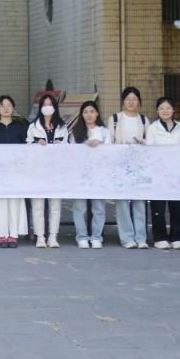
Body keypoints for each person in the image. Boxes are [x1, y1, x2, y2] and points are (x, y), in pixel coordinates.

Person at [145, 97, 180, 250]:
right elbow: (150, 151)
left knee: (176, 207)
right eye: (161, 108)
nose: (165, 111)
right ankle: (160, 238)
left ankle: (176, 237)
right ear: (157, 111)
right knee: (158, 208)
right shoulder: (153, 128)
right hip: (158, 174)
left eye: (168, 108)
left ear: (173, 110)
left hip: (177, 174)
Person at [0, 96, 28, 247]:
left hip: (16, 172)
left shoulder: (21, 127)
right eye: (2, 105)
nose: (6, 108)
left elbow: (26, 149)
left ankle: (13, 235)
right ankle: (1, 234)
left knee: (14, 202)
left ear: (13, 108)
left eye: (9, 105)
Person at [109, 87, 150, 249]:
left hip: (139, 166)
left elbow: (150, 142)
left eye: (134, 99)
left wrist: (144, 144)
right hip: (120, 166)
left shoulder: (144, 120)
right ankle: (127, 238)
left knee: (139, 200)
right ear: (123, 101)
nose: (131, 102)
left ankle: (141, 237)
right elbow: (109, 143)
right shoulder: (114, 119)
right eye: (128, 99)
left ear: (139, 101)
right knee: (122, 202)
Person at [68, 100, 112, 249]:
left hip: (99, 175)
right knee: (80, 208)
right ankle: (81, 236)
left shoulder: (104, 132)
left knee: (98, 208)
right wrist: (84, 146)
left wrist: (100, 146)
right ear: (81, 114)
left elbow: (109, 153)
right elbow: (71, 154)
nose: (89, 115)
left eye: (92, 111)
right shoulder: (75, 132)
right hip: (80, 175)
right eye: (86, 112)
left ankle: (96, 236)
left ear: (97, 114)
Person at [27, 94, 69, 248]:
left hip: (56, 171)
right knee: (37, 205)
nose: (47, 107)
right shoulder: (33, 126)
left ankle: (53, 236)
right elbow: (27, 146)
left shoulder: (62, 126)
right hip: (38, 171)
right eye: (44, 104)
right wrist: (37, 143)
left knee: (55, 206)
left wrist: (60, 144)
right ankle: (40, 237)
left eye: (50, 104)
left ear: (55, 107)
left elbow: (68, 146)